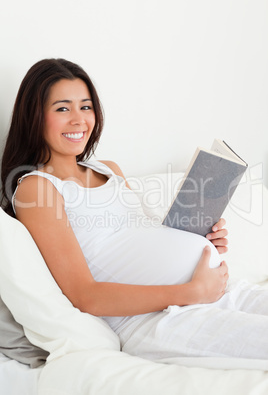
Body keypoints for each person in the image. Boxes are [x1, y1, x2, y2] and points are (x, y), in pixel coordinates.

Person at [1, 58, 268, 361]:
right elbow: (84, 295)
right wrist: (190, 293)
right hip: (160, 318)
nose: (78, 120)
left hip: (218, 292)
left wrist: (203, 240)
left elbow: (138, 238)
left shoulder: (109, 170)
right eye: (63, 108)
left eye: (85, 107)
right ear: (34, 116)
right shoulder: (37, 187)